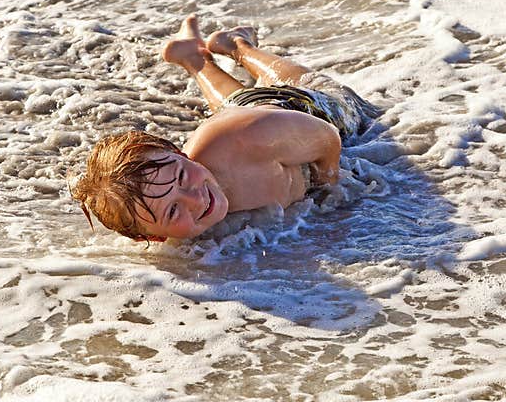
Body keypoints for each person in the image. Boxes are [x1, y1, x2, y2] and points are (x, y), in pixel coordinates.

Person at [69, 14, 378, 243]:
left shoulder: (245, 139)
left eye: (181, 176)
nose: (196, 200)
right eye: (173, 212)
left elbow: (327, 137)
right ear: (151, 237)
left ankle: (238, 46)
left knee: (316, 88)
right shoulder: (164, 215)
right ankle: (191, 55)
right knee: (235, 103)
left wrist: (330, 185)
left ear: (179, 153)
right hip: (241, 120)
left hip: (298, 113)